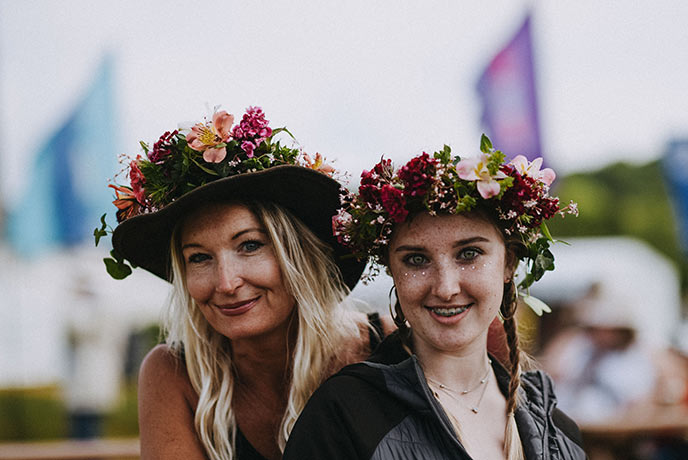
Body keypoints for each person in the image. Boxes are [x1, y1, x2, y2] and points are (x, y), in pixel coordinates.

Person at [96, 106, 393, 460]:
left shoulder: (388, 349)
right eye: (200, 257)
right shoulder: (173, 374)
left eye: (249, 245)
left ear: (296, 254)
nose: (225, 283)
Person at [283, 137, 586, 459]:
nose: (445, 287)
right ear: (391, 270)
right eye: (416, 259)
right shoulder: (345, 415)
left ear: (508, 262)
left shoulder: (556, 430)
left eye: (469, 254)